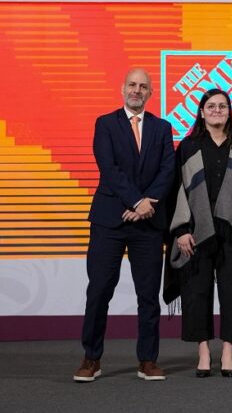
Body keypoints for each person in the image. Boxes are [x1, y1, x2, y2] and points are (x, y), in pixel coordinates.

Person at [74, 68, 175, 382]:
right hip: (109, 220)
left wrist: (146, 205)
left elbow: (168, 170)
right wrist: (136, 202)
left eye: (143, 86)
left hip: (148, 223)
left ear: (150, 93)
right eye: (132, 84)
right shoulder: (105, 124)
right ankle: (91, 358)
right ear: (122, 89)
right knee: (99, 290)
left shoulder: (162, 127)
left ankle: (148, 360)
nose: (137, 90)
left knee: (148, 295)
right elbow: (109, 168)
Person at [166, 88, 232, 378]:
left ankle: (228, 352)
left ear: (229, 111)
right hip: (196, 231)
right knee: (197, 292)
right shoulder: (188, 146)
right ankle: (204, 352)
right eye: (211, 106)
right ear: (201, 112)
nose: (217, 110)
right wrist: (181, 230)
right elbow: (176, 189)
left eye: (222, 106)